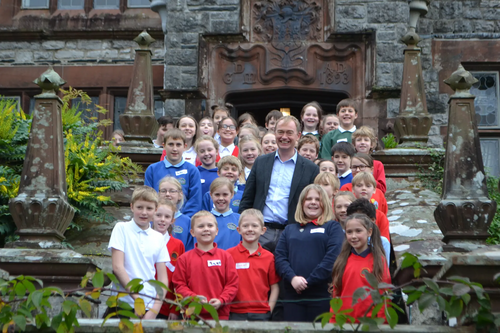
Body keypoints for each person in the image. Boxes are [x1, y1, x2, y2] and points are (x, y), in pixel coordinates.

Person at [239, 116, 319, 252]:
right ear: (274, 133)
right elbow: (247, 198)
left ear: (298, 135)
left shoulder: (310, 168)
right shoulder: (261, 162)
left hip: (293, 232)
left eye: (289, 132)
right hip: (261, 231)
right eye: (280, 132)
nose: (284, 137)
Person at [274, 184, 344, 322]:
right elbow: (280, 257)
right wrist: (293, 278)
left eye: (317, 199)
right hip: (293, 295)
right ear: (301, 203)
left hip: (321, 294)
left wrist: (309, 282)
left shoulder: (332, 227)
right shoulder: (289, 229)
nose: (313, 202)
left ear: (324, 202)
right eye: (308, 199)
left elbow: (332, 257)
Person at [105, 186, 169, 319]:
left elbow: (163, 278)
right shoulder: (121, 228)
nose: (144, 212)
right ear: (132, 207)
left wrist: (154, 309)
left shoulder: (158, 237)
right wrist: (137, 299)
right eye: (140, 207)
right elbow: (118, 267)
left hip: (149, 305)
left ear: (155, 210)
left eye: (149, 208)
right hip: (122, 303)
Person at [172, 211, 239, 320]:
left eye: (210, 225)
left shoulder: (226, 257)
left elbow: (232, 284)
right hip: (192, 315)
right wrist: (193, 298)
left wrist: (222, 300)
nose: (206, 229)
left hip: (220, 315)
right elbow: (179, 285)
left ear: (216, 231)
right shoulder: (184, 259)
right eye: (201, 226)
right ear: (192, 232)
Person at [330, 214, 391, 323]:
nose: (353, 236)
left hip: (369, 323)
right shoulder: (342, 260)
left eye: (358, 231)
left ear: (369, 232)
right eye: (349, 232)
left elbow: (384, 295)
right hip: (345, 323)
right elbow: (336, 295)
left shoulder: (378, 260)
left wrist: (382, 324)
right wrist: (333, 321)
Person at [227, 209, 280, 321]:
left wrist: (269, 309)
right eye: (245, 226)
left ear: (263, 230)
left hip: (261, 313)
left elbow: (274, 286)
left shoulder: (269, 257)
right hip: (234, 312)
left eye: (254, 226)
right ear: (239, 230)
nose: (250, 229)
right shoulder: (228, 255)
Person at [145, 129, 202, 218]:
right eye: (171, 144)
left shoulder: (192, 171)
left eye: (178, 145)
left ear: (185, 146)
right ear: (164, 145)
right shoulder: (152, 169)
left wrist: (184, 219)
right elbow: (148, 198)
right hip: (157, 219)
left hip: (184, 219)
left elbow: (195, 201)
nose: (174, 149)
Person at [151, 198, 185, 319]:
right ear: (152, 216)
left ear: (172, 220)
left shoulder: (177, 245)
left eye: (167, 216)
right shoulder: (142, 240)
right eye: (158, 215)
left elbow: (179, 279)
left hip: (166, 307)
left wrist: (175, 308)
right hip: (142, 302)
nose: (162, 220)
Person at [346, 198, 392, 267]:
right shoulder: (346, 241)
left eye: (361, 218)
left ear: (372, 220)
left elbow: (384, 269)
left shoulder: (382, 242)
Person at [158, 176, 194, 251]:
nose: (167, 194)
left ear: (180, 195)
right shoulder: (152, 219)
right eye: (163, 191)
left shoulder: (187, 221)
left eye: (172, 191)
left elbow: (190, 249)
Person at [351, 172, 390, 238]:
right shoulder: (350, 212)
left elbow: (385, 241)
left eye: (368, 186)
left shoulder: (380, 216)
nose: (363, 188)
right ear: (353, 189)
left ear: (374, 189)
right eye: (359, 185)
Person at [208, 177, 241, 250]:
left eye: (225, 194)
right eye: (217, 194)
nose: (221, 198)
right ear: (211, 195)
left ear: (232, 195)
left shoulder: (240, 219)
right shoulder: (205, 219)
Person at [352, 126, 386, 193]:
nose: (362, 142)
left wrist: (367, 176)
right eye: (359, 140)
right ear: (354, 144)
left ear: (372, 144)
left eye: (366, 140)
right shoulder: (350, 163)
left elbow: (382, 189)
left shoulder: (378, 164)